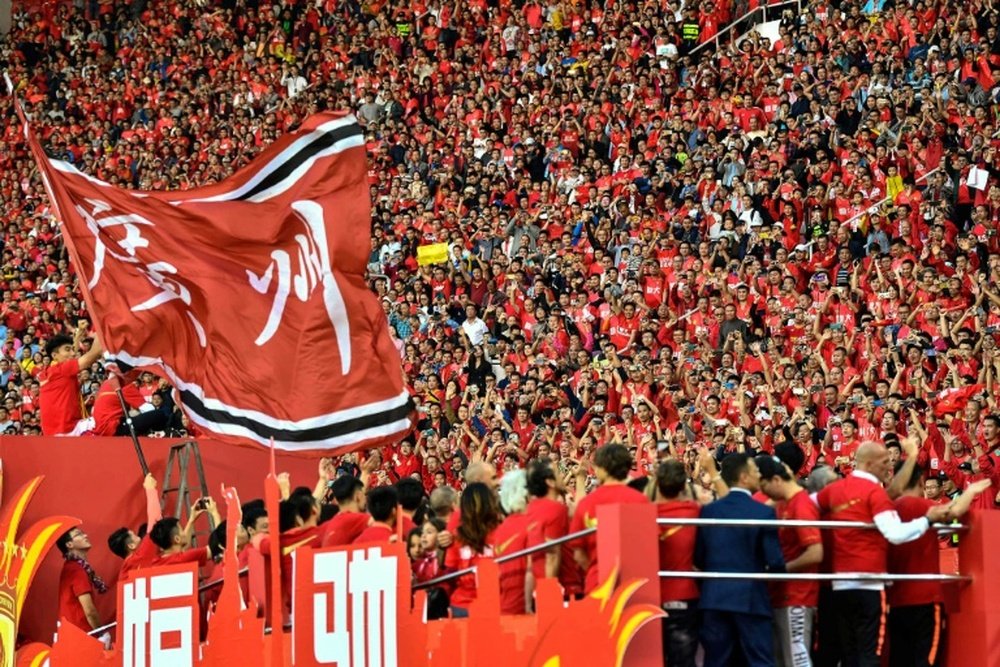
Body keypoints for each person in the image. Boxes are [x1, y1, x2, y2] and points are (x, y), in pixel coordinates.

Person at [813, 441, 952, 667]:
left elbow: (806, 506)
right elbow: (895, 533)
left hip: (840, 586)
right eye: (885, 462)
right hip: (869, 584)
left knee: (849, 654)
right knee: (869, 654)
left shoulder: (835, 490)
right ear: (869, 464)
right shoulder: (874, 493)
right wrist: (928, 520)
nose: (889, 467)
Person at [887, 458, 991, 667]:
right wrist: (970, 492)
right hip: (925, 599)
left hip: (896, 600)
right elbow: (951, 512)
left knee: (900, 658)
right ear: (920, 481)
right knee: (926, 660)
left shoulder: (887, 509)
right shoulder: (921, 506)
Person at [696, 453, 785, 667]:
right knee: (760, 661)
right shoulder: (763, 513)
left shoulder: (709, 511)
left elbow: (699, 556)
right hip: (751, 599)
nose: (759, 475)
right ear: (744, 477)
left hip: (714, 599)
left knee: (717, 662)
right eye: (755, 472)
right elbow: (775, 563)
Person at [756, 455, 823, 667]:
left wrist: (782, 569)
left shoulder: (801, 505)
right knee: (783, 660)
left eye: (764, 485)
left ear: (776, 480)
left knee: (797, 660)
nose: (763, 492)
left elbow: (815, 552)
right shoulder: (782, 503)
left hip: (797, 596)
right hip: (781, 594)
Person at [570, 444, 650, 593]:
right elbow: (648, 546)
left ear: (599, 469)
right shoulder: (640, 500)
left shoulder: (587, 504)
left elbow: (579, 554)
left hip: (598, 584)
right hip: (634, 587)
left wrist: (596, 568)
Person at [654, 459, 702, 667]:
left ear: (657, 485)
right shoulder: (696, 511)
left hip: (650, 598)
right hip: (685, 595)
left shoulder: (644, 514)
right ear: (684, 486)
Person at [525, 459, 582, 601]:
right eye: (557, 473)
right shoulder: (555, 509)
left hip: (538, 587)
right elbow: (552, 554)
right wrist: (549, 594)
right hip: (564, 589)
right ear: (550, 482)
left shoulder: (530, 509)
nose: (562, 476)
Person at [443, 483, 502, 617]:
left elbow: (450, 572)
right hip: (488, 604)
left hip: (465, 604)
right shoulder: (502, 532)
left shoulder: (457, 535)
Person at [39, 326, 103, 436]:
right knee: (108, 421)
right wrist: (100, 328)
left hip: (53, 433)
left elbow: (70, 357)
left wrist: (77, 338)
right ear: (54, 356)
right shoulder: (63, 370)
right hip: (70, 430)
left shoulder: (47, 372)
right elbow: (95, 353)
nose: (73, 353)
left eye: (72, 349)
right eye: (68, 349)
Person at [108, 474, 163, 578]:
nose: (140, 538)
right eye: (135, 536)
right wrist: (150, 490)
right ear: (131, 546)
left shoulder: (123, 573)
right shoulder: (141, 556)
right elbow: (156, 524)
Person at [493, 469, 532, 614]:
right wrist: (528, 606)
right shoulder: (531, 524)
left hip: (504, 607)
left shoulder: (500, 529)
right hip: (525, 608)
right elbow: (532, 567)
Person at [56, 526, 106, 634]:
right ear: (69, 544)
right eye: (79, 534)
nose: (85, 536)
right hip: (82, 636)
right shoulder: (76, 570)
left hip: (74, 634)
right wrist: (102, 633)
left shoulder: (72, 567)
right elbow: (89, 610)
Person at [321, 475, 370, 547]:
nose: (365, 499)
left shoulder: (327, 526)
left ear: (337, 500)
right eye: (363, 494)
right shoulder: (362, 520)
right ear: (358, 495)